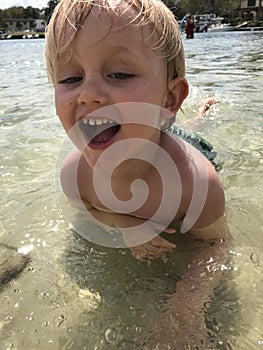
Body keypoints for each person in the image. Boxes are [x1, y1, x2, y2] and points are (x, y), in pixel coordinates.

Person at [45, 1, 230, 347]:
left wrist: (184, 309)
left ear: (169, 97)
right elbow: (89, 209)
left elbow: (215, 246)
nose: (88, 95)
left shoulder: (197, 182)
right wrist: (127, 226)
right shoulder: (75, 173)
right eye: (71, 78)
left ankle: (200, 114)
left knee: (188, 129)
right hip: (155, 133)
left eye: (119, 74)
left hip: (185, 146)